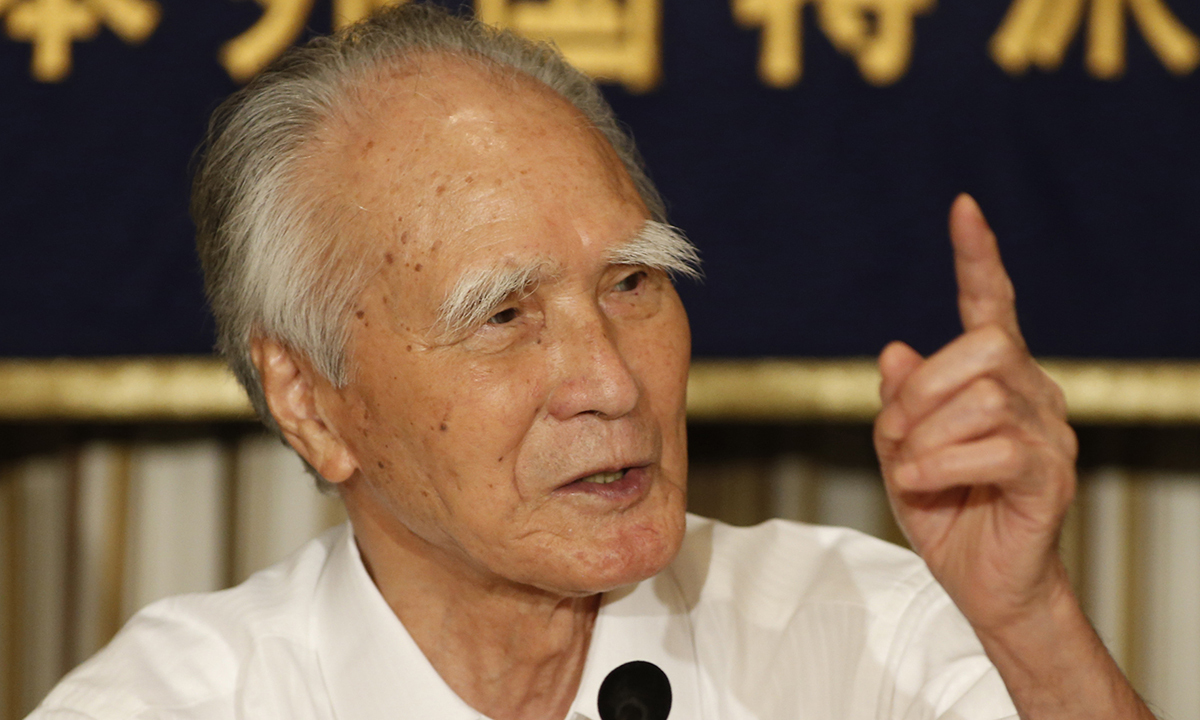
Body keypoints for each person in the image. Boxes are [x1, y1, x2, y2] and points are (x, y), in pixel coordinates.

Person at [30, 4, 1152, 719]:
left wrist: (1029, 622)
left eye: (631, 284)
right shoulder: (176, 702)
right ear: (311, 404)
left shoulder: (858, 633)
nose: (613, 384)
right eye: (503, 315)